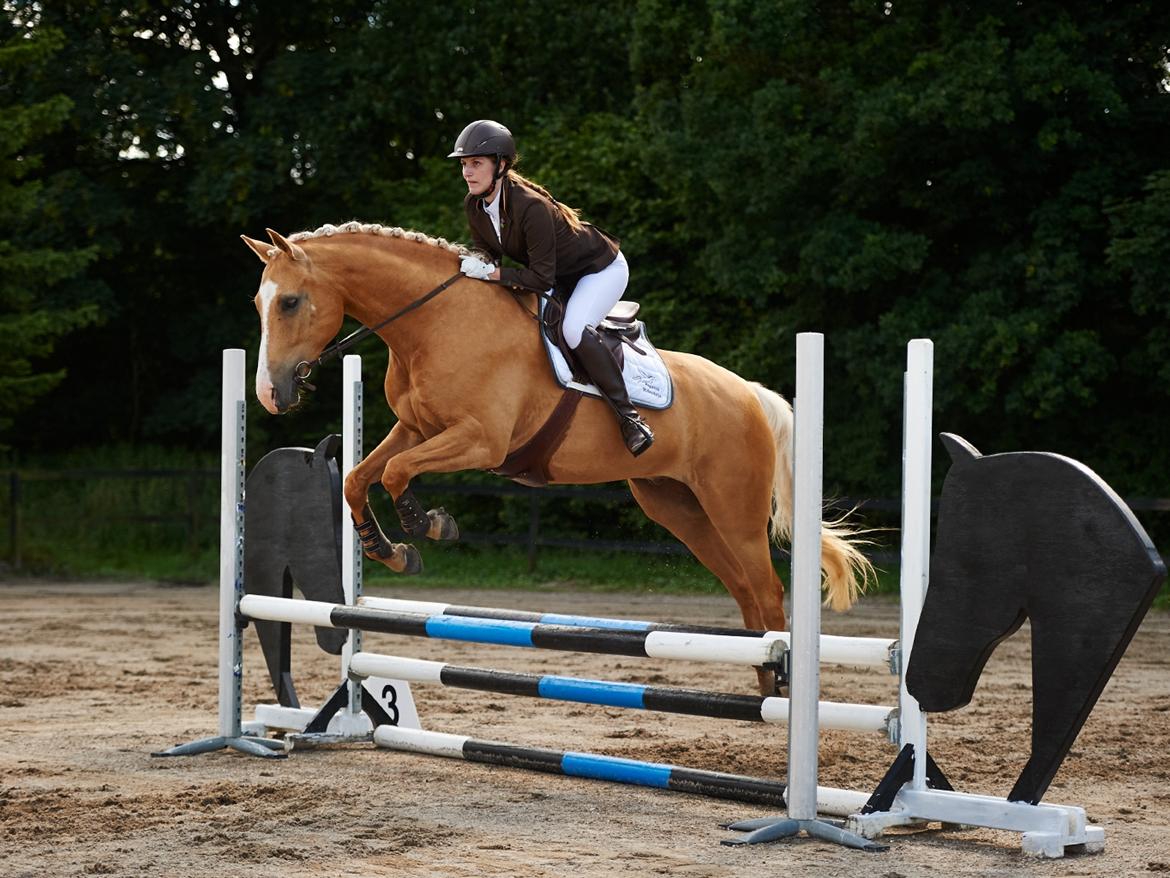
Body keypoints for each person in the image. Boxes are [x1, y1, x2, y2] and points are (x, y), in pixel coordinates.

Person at [449, 119, 654, 457]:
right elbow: (487, 254)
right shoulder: (475, 205)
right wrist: (475, 263)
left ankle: (630, 418)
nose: (467, 172)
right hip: (559, 274)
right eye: (463, 165)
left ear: (501, 165)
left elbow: (539, 279)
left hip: (599, 269)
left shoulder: (531, 207)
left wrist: (492, 274)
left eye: (476, 163)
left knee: (573, 330)